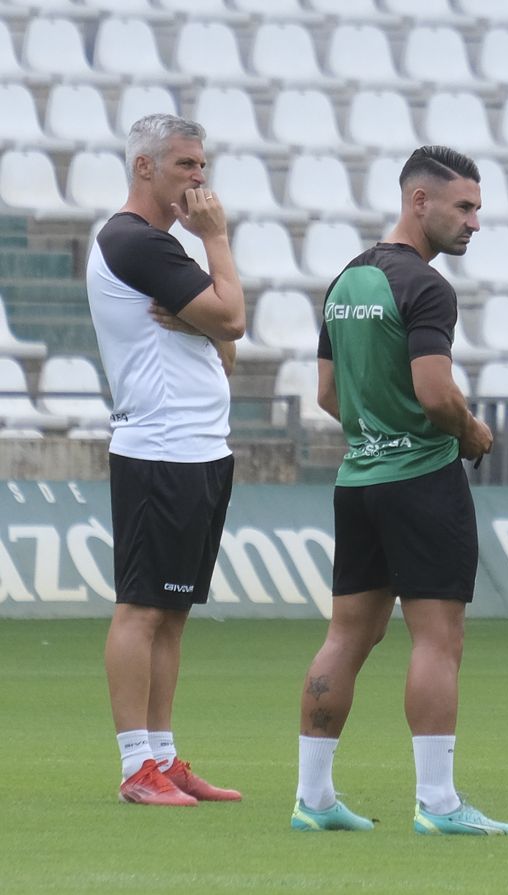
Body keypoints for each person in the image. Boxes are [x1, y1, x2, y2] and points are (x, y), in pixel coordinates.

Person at [292, 145, 508, 836]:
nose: (475, 222)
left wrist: (376, 432)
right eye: (464, 207)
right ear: (420, 202)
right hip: (422, 481)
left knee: (346, 637)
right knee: (437, 640)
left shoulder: (347, 280)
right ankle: (438, 803)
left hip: (358, 480)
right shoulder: (426, 286)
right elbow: (435, 393)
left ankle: (313, 799)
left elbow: (328, 394)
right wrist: (471, 432)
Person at [90, 114, 245, 808]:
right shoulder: (136, 241)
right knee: (142, 608)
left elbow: (227, 347)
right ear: (144, 167)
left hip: (198, 447)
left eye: (202, 163)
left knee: (172, 610)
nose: (199, 176)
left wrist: (202, 323)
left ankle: (160, 754)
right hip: (159, 448)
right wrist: (217, 239)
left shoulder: (159, 248)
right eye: (186, 163)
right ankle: (136, 766)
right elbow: (233, 319)